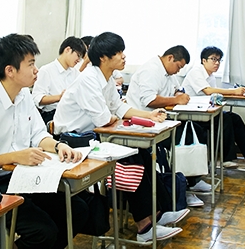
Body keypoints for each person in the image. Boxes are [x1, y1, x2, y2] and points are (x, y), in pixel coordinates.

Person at [0, 33, 87, 249]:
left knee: (77, 210)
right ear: (10, 70)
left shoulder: (24, 94)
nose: (36, 70)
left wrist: (58, 146)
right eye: (31, 64)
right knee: (43, 232)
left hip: (20, 177)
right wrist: (15, 156)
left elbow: (38, 133)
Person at [54, 31, 187, 242]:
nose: (123, 56)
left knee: (143, 154)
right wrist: (117, 117)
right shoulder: (88, 80)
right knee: (130, 159)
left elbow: (119, 108)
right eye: (118, 52)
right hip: (74, 141)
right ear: (103, 57)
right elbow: (104, 119)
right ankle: (144, 227)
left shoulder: (106, 79)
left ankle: (159, 214)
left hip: (94, 137)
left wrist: (149, 115)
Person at [124, 46, 206, 207]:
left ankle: (192, 180)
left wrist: (179, 95)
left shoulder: (168, 72)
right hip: (144, 123)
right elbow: (149, 100)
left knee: (196, 130)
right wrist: (176, 100)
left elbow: (177, 90)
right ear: (170, 58)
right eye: (178, 66)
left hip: (160, 119)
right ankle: (183, 187)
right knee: (183, 139)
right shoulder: (151, 71)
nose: (178, 71)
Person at [181, 46, 245, 168]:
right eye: (213, 59)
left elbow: (214, 95)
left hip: (206, 111)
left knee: (234, 118)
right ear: (204, 60)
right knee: (226, 119)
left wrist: (235, 92)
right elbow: (208, 91)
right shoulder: (196, 72)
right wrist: (233, 92)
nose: (217, 63)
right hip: (193, 114)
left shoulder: (211, 76)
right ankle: (226, 159)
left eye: (219, 60)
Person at [32, 36, 86, 123]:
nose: (79, 60)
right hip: (52, 115)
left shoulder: (76, 73)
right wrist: (59, 97)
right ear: (67, 50)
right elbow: (37, 99)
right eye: (78, 56)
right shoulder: (46, 70)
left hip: (72, 114)